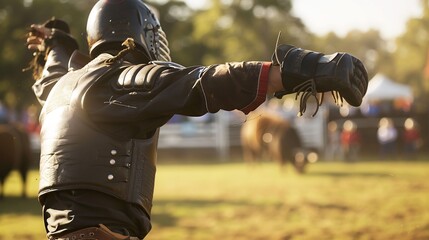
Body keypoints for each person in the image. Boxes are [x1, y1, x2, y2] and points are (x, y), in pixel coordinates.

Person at [25, 0, 368, 239]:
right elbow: (206, 82)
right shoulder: (118, 79)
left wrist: (56, 42)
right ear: (140, 32)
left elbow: (55, 70)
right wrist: (298, 71)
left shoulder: (61, 88)